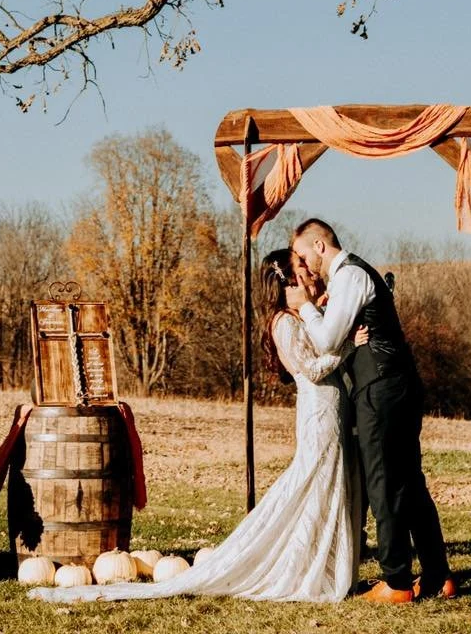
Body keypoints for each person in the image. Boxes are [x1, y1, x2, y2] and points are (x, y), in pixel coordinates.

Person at [31, 248, 365, 605]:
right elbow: (312, 369)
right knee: (310, 484)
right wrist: (348, 346)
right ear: (286, 281)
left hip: (331, 409)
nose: (309, 273)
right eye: (300, 268)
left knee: (328, 483)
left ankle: (323, 563)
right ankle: (303, 566)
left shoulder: (299, 316)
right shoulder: (283, 322)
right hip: (318, 413)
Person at [289, 218, 455, 605]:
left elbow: (328, 339)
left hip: (380, 389)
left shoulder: (349, 276)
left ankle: (396, 581)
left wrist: (307, 309)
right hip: (395, 384)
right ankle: (437, 574)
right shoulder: (352, 278)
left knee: (383, 483)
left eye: (301, 254)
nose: (301, 265)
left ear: (318, 245)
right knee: (410, 482)